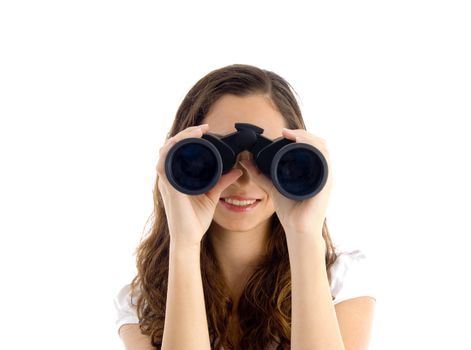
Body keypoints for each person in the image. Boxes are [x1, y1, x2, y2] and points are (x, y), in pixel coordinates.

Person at [113, 64, 376, 350]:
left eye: (269, 157)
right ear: (180, 158)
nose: (244, 178)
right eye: (219, 155)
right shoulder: (143, 300)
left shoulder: (341, 281)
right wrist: (184, 243)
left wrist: (304, 235)